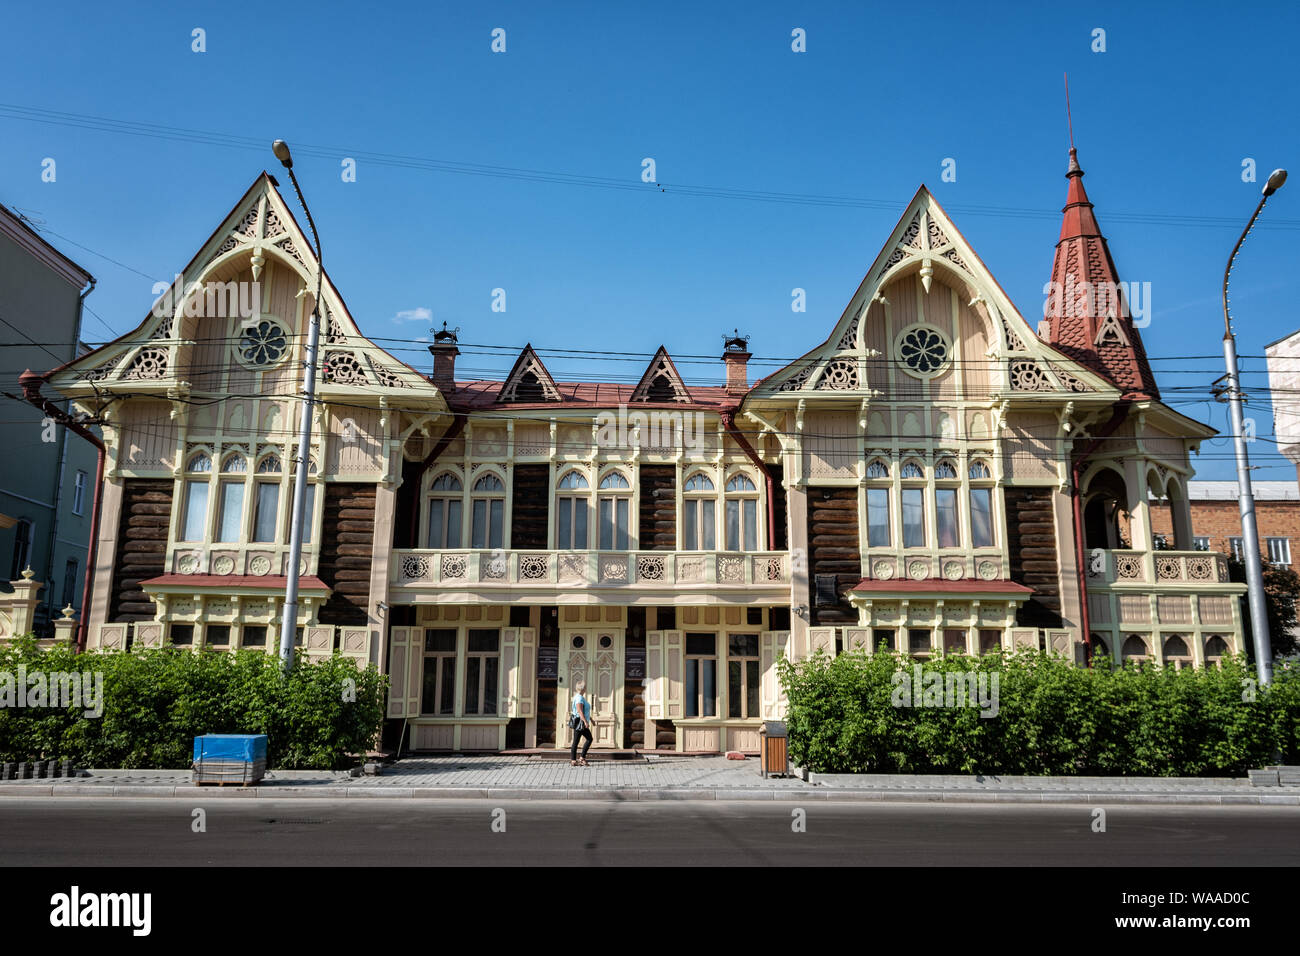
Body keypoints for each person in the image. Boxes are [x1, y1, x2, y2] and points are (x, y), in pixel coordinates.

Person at [569, 678, 593, 767]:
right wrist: (585, 722)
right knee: (589, 739)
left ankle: (574, 760)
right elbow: (580, 711)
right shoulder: (579, 698)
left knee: (576, 741)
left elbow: (584, 711)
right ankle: (580, 758)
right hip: (580, 721)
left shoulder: (579, 697)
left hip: (580, 720)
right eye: (585, 687)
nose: (586, 688)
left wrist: (591, 719)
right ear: (582, 688)